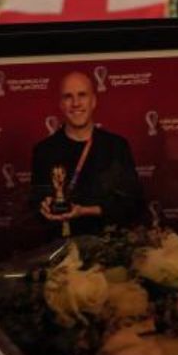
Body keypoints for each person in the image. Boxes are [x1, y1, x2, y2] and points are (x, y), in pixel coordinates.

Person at [31, 70, 146, 237]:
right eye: (68, 96)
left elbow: (134, 205)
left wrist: (86, 211)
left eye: (82, 95)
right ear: (61, 104)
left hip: (108, 248)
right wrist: (44, 207)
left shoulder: (116, 146)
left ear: (93, 101)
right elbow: (35, 207)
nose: (76, 103)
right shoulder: (43, 151)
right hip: (60, 252)